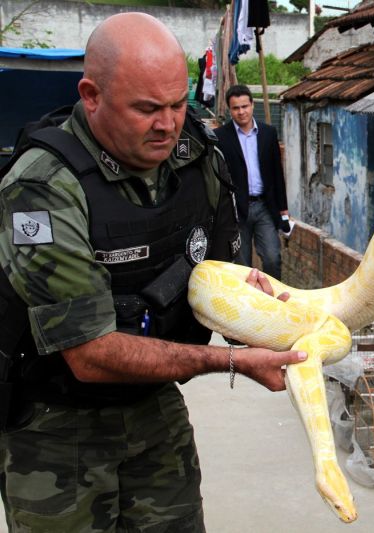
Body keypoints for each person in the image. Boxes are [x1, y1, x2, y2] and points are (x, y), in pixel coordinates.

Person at [0, 13, 306, 532]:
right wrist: (230, 360)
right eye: (147, 109)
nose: (167, 124)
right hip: (55, 426)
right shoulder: (42, 187)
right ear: (91, 95)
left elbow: (221, 271)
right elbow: (91, 355)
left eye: (177, 104)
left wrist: (251, 301)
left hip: (152, 405)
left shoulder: (193, 154)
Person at [214, 84, 290, 277]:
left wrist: (283, 209)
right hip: (236, 210)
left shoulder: (268, 133)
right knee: (242, 266)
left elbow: (276, 173)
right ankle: (249, 305)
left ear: (252, 105)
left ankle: (273, 302)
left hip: (265, 205)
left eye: (244, 106)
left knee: (273, 258)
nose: (241, 112)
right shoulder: (220, 137)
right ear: (229, 110)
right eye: (236, 108)